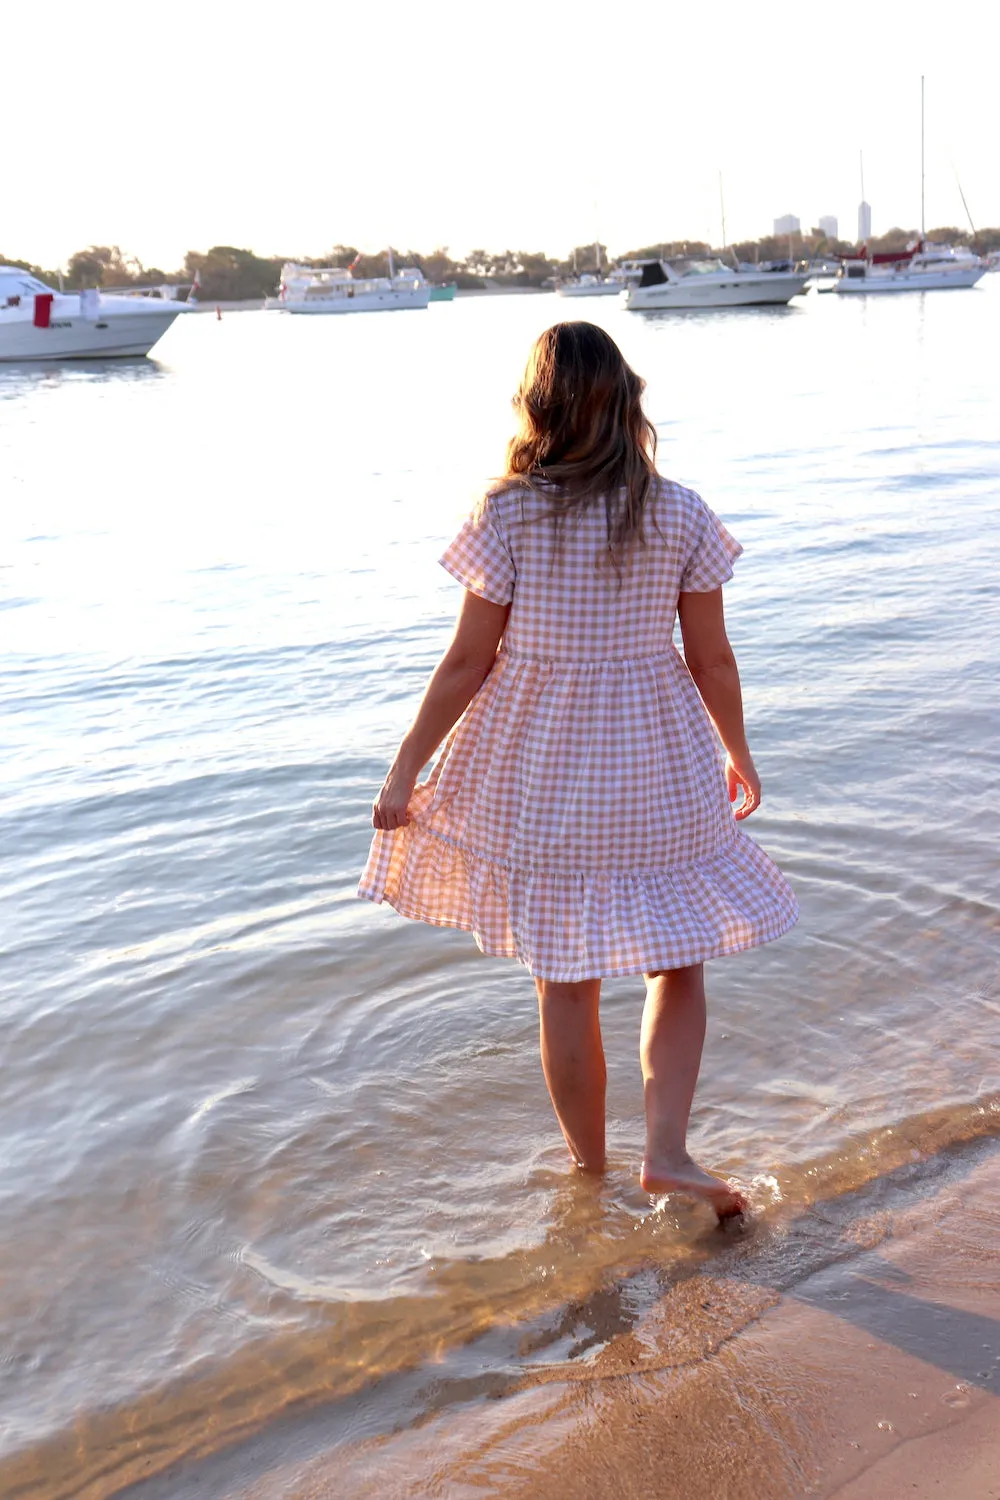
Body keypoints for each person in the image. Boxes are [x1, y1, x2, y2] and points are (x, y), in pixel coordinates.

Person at [359, 322, 797, 1221]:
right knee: (679, 961)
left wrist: (407, 768)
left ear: (539, 407)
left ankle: (589, 1181)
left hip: (544, 765)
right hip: (659, 755)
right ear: (627, 399)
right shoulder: (680, 512)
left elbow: (465, 663)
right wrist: (739, 753)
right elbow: (712, 660)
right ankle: (667, 1153)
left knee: (565, 976)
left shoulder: (507, 511)